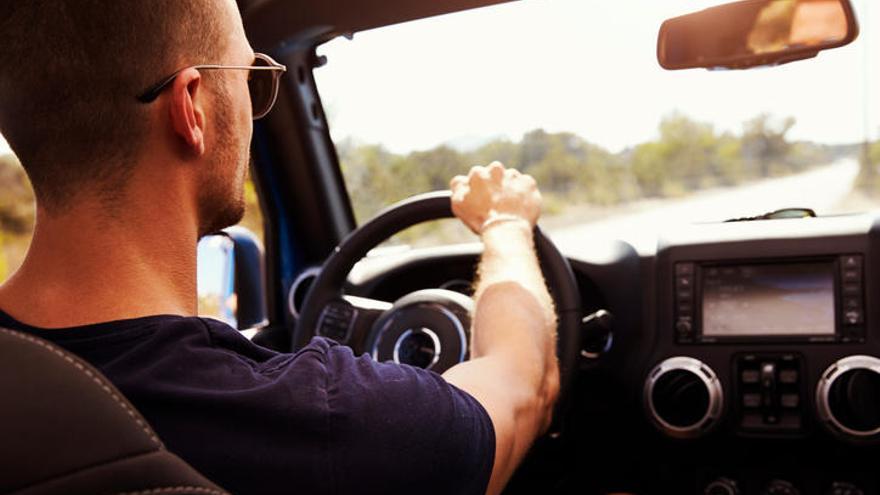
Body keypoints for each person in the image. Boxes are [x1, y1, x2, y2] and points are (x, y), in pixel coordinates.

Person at [0, 1, 559, 494]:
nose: (251, 107)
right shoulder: (327, 422)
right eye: (250, 76)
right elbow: (524, 386)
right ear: (191, 108)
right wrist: (505, 223)